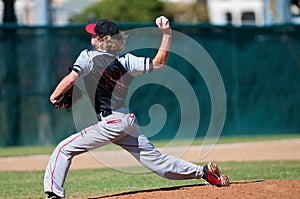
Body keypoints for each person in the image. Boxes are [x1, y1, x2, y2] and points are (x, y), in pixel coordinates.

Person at [44, 16, 229, 199]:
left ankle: (54, 195)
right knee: (157, 162)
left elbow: (71, 78)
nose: (90, 37)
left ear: (101, 40)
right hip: (126, 120)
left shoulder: (87, 56)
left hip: (111, 123)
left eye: (94, 35)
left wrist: (53, 97)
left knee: (63, 149)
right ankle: (204, 173)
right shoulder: (127, 60)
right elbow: (159, 62)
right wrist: (167, 34)